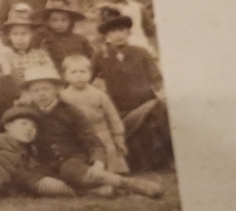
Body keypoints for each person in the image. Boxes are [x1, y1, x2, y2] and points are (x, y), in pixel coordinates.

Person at [18, 65, 163, 198]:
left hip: (73, 158)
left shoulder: (70, 111)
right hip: (47, 163)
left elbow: (92, 141)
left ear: (57, 89)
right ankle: (91, 192)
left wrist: (98, 163)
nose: (41, 94)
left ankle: (126, 183)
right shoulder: (28, 112)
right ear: (29, 94)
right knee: (27, 178)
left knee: (70, 172)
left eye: (45, 89)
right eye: (35, 90)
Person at [90, 8, 173, 171]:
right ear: (106, 36)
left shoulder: (141, 52)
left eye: (121, 30)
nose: (118, 35)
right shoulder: (101, 55)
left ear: (128, 32)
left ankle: (167, 159)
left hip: (146, 105)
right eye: (112, 31)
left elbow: (156, 79)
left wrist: (162, 94)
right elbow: (86, 76)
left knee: (161, 114)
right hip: (119, 108)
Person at [59, 53, 128, 174]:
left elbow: (112, 116)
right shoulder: (63, 97)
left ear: (90, 74)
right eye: (73, 72)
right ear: (65, 76)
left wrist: (118, 136)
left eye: (82, 72)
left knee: (109, 152)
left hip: (100, 132)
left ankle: (114, 175)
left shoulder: (99, 94)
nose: (78, 76)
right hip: (77, 135)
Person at [0, 4, 54, 86]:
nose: (19, 38)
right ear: (9, 36)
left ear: (31, 34)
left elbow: (51, 74)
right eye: (15, 34)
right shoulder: (4, 55)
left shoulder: (41, 55)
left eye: (24, 33)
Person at [37, 0, 93, 70]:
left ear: (70, 21)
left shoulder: (80, 40)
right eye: (54, 20)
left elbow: (92, 58)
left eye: (64, 20)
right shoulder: (45, 39)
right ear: (48, 22)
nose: (59, 24)